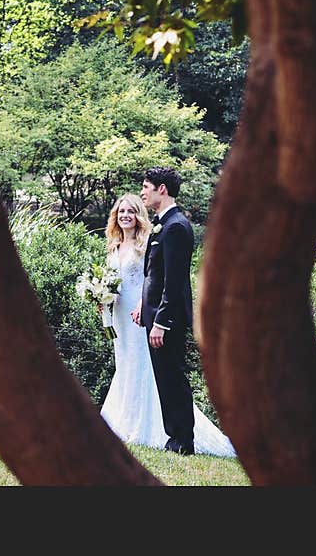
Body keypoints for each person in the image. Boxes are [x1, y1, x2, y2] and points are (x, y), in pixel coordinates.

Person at [99, 192, 235, 458]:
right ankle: (121, 420)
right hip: (118, 314)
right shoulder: (114, 245)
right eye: (121, 211)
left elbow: (154, 279)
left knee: (146, 365)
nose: (125, 215)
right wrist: (101, 295)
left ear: (139, 215)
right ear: (115, 216)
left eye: (131, 211)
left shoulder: (146, 242)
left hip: (140, 312)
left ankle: (153, 426)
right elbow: (111, 280)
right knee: (124, 362)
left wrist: (144, 306)